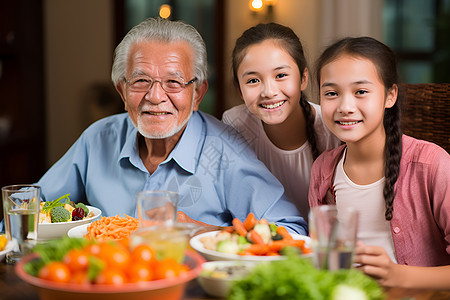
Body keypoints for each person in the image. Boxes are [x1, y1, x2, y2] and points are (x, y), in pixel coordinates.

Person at [36, 17, 308, 234]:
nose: (155, 97)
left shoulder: (228, 151)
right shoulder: (97, 139)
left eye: (174, 82)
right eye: (141, 81)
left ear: (198, 94)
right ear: (122, 91)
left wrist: (205, 232)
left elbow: (289, 231)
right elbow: (29, 210)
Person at [309, 36, 450, 289]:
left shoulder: (432, 165)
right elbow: (322, 260)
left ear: (390, 95)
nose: (345, 106)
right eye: (331, 93)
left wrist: (399, 276)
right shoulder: (323, 170)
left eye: (361, 92)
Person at [222, 23, 341, 219]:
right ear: (239, 89)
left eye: (281, 75)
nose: (268, 91)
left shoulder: (333, 128)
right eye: (253, 80)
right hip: (265, 243)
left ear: (303, 78)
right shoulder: (236, 124)